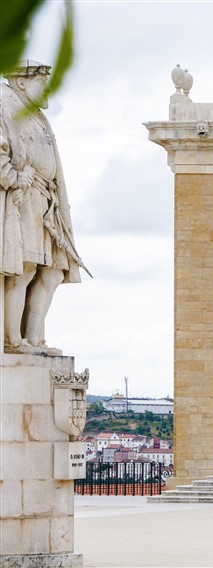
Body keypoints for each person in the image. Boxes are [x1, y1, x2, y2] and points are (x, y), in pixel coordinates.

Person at [0, 60, 88, 355]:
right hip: (22, 197)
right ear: (21, 81)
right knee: (23, 268)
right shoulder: (5, 102)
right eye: (41, 81)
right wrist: (12, 177)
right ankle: (14, 342)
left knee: (52, 271)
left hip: (47, 201)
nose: (47, 88)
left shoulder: (36, 115)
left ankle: (35, 339)